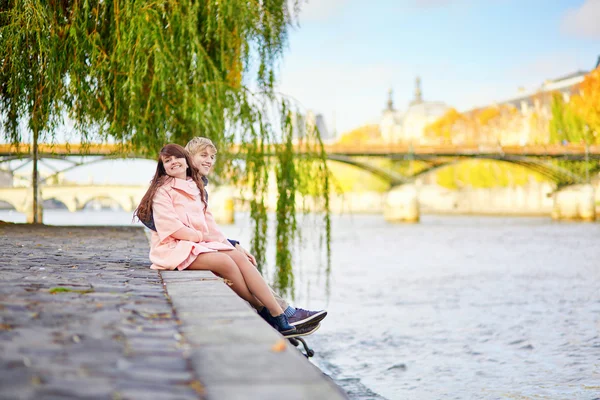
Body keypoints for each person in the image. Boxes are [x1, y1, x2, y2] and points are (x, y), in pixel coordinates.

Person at [135, 144, 307, 337]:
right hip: (172, 248)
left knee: (238, 258)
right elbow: (171, 228)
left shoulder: (196, 187)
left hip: (195, 244)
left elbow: (211, 227)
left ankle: (277, 313)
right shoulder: (162, 191)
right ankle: (266, 310)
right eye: (167, 161)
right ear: (163, 167)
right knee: (225, 262)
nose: (173, 162)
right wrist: (200, 236)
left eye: (176, 158)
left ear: (185, 160)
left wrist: (232, 245)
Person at [184, 137, 327, 331]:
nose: (209, 160)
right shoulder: (182, 185)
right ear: (188, 156)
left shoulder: (197, 186)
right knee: (236, 263)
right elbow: (168, 220)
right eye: (203, 155)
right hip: (188, 249)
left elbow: (207, 227)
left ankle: (283, 313)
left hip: (199, 245)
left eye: (212, 156)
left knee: (242, 261)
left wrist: (233, 243)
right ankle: (281, 314)